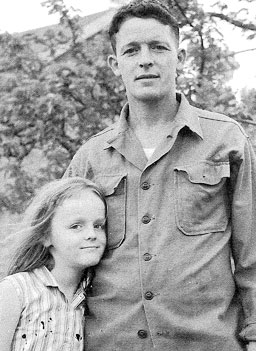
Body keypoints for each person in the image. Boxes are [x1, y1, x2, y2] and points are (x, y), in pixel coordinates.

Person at [64, 0, 256, 350]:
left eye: (158, 47)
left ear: (180, 58)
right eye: (132, 50)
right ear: (115, 64)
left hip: (206, 343)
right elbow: (62, 260)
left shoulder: (227, 140)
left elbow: (252, 254)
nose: (146, 59)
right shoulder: (90, 158)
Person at [0, 177, 107, 351]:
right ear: (45, 236)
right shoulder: (16, 291)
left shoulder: (92, 299)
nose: (91, 234)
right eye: (76, 226)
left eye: (99, 225)